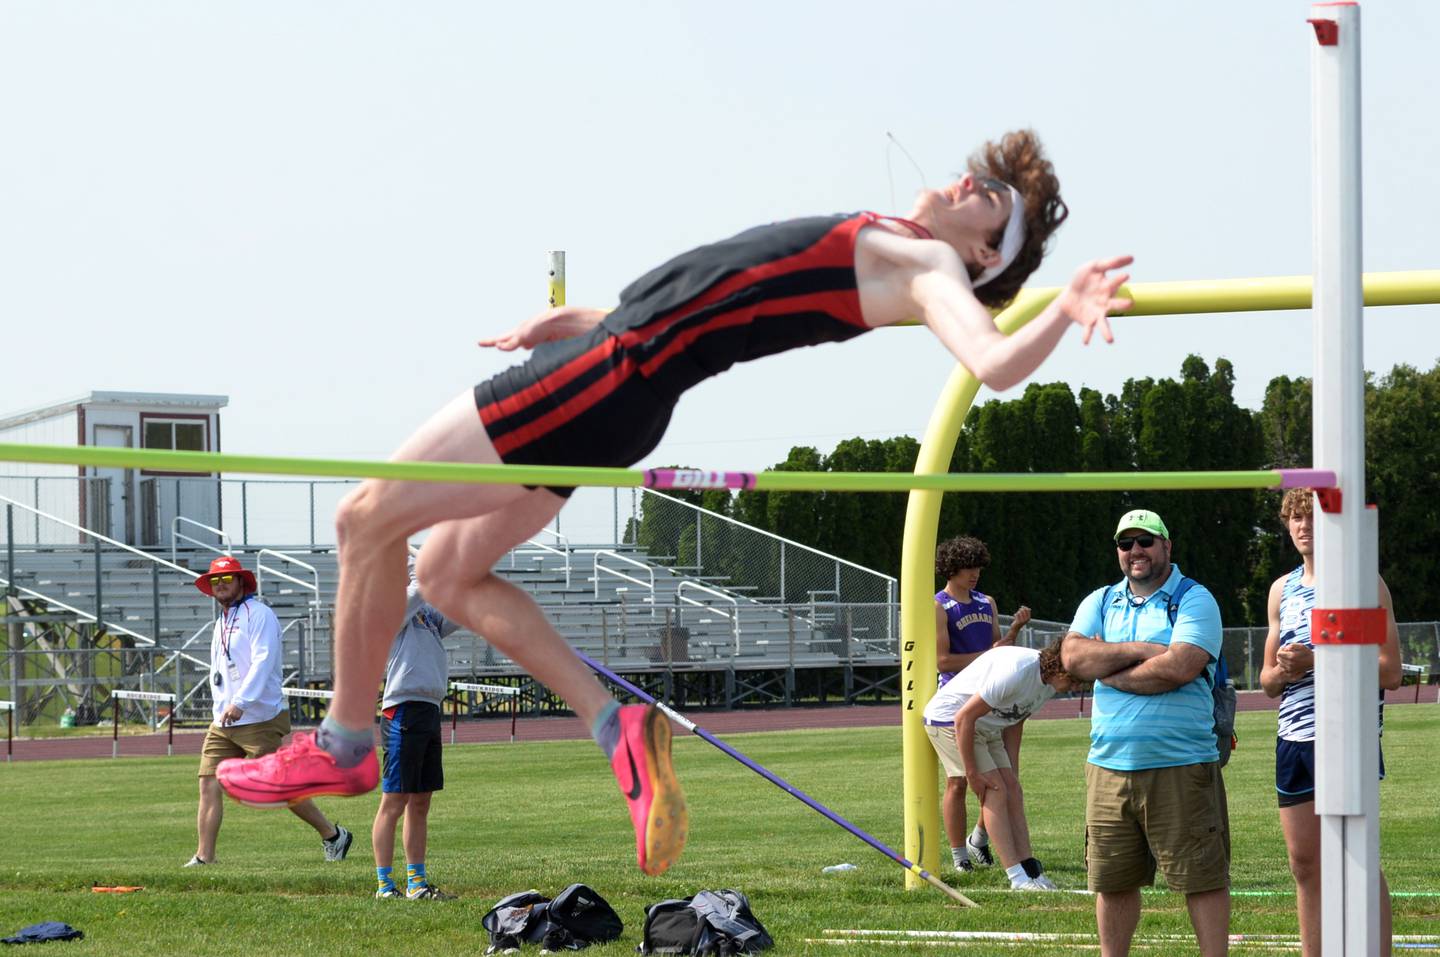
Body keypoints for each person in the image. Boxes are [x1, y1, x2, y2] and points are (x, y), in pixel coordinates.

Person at [218, 129, 1134, 878]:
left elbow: (994, 363)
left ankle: (343, 739)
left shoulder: (931, 266)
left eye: (991, 200)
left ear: (984, 253)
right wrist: (585, 323)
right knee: (446, 571)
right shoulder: (892, 245)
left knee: (359, 520)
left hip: (607, 377)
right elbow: (706, 309)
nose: (968, 178)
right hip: (617, 379)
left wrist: (1060, 303)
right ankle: (612, 720)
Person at [1060, 509, 1230, 957]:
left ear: (1167, 547)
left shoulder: (1195, 599)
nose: (1135, 551)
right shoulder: (1099, 601)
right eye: (1125, 543)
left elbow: (1180, 666)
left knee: (1202, 879)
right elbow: (1074, 658)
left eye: (1145, 541)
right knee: (1112, 882)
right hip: (1108, 766)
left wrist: (1110, 669)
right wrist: (1140, 651)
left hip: (1181, 764)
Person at [1259, 488, 1403, 957]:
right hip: (1293, 738)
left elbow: (1389, 670)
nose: (1302, 526)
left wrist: (1315, 662)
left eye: (1311, 517)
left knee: (1355, 860)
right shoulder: (1282, 589)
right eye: (1294, 518)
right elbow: (1265, 681)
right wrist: (1282, 670)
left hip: (1345, 735)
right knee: (1304, 864)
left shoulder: (1361, 581)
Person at [187, 555, 353, 867]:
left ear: (241, 582)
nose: (220, 584)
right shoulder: (222, 621)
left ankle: (333, 834)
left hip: (258, 717)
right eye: (215, 580)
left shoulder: (259, 614)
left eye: (226, 579)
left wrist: (242, 703)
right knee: (208, 781)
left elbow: (263, 661)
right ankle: (204, 856)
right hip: (224, 720)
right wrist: (223, 707)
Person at [922, 639, 1075, 889]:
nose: (1076, 687)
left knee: (1012, 790)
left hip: (986, 725)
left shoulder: (1049, 684)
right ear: (1059, 667)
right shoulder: (1019, 671)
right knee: (995, 790)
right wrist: (972, 774)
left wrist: (1012, 772)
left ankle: (1030, 870)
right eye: (1075, 680)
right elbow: (963, 717)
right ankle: (1016, 877)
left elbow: (1016, 720)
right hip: (950, 720)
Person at [933, 534, 1032, 872]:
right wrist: (986, 656)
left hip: (992, 700)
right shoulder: (938, 605)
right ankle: (960, 856)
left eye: (977, 568)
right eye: (967, 569)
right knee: (959, 780)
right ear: (951, 569)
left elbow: (999, 654)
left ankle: (980, 838)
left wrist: (1015, 629)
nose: (974, 574)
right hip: (955, 700)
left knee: (1001, 778)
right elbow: (942, 661)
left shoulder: (986, 602)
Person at [372, 558, 459, 900]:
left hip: (428, 708)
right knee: (394, 799)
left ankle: (416, 884)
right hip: (403, 710)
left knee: (420, 800)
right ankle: (384, 885)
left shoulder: (423, 614)